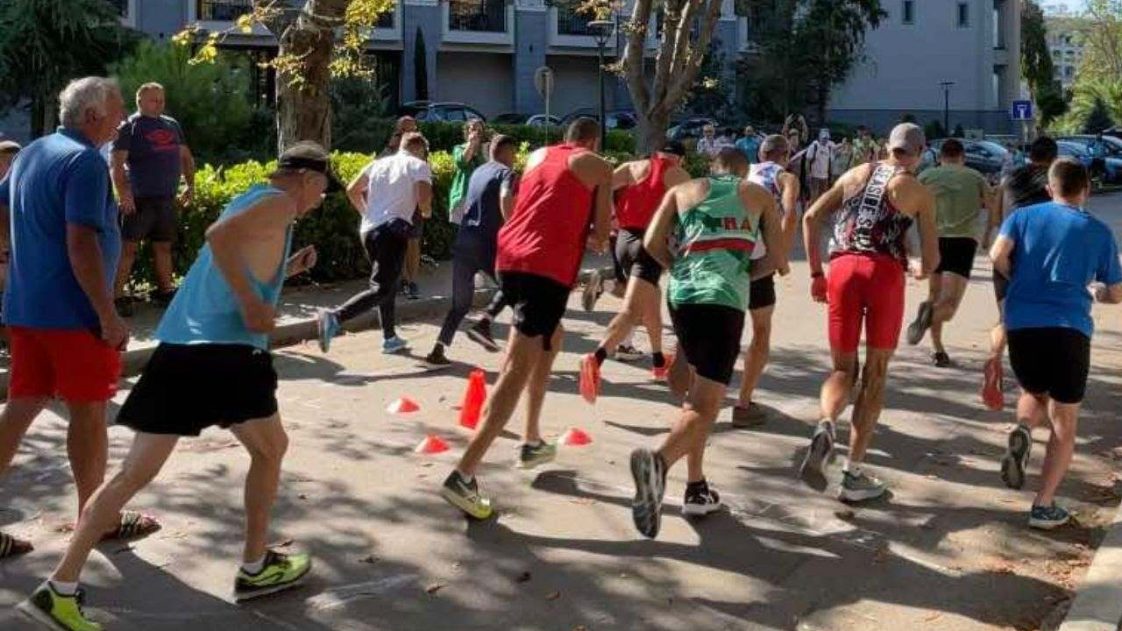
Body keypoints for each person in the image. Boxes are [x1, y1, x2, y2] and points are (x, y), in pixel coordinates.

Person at [17, 142, 339, 629]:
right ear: (307, 178)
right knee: (271, 449)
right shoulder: (279, 202)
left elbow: (231, 253)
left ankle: (58, 587)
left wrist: (285, 270)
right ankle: (255, 566)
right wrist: (253, 304)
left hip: (182, 348)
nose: (318, 201)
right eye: (322, 190)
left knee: (132, 474)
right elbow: (219, 237)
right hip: (226, 351)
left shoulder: (253, 197)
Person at [0, 78, 162, 564]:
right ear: (92, 115)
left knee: (21, 406)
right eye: (117, 110)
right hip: (74, 317)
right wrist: (107, 315)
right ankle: (98, 518)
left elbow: (1, 209)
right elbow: (82, 243)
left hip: (27, 308)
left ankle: (97, 514)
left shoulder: (32, 152)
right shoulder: (85, 161)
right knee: (89, 413)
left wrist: (16, 259)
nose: (122, 120)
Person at [440, 118, 612, 519]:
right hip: (544, 268)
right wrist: (587, 233)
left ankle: (532, 439)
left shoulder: (537, 156)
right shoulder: (598, 166)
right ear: (592, 142)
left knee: (554, 337)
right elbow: (602, 235)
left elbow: (519, 205)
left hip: (510, 257)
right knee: (515, 370)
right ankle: (463, 474)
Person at [628, 148, 785, 539]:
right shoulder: (759, 195)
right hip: (723, 299)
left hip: (682, 296)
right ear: (744, 171)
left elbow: (651, 242)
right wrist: (743, 273)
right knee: (707, 405)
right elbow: (777, 259)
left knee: (695, 393)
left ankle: (696, 486)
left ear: (711, 168)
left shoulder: (681, 191)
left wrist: (678, 266)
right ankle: (658, 463)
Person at [800, 123, 938, 502]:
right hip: (883, 274)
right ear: (920, 152)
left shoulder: (855, 173)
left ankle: (826, 423)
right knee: (875, 373)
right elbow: (931, 259)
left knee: (842, 369)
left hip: (842, 269)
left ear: (887, 147)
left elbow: (810, 217)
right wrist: (919, 266)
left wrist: (816, 274)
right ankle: (852, 473)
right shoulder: (917, 190)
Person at [990, 158, 1122, 529]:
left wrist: (1019, 279)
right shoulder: (1098, 231)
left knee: (1034, 389)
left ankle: (1023, 429)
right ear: (1087, 190)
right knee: (1065, 420)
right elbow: (1116, 292)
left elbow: (997, 255)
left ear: (1050, 188)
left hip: (1022, 324)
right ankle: (1043, 505)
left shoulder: (1022, 217)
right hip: (1069, 329)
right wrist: (1097, 294)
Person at [579, 140, 692, 396]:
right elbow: (692, 213)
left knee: (651, 301)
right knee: (632, 311)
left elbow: (600, 187)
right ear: (680, 158)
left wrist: (608, 217)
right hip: (649, 244)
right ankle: (595, 359)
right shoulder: (679, 174)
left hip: (623, 241)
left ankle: (658, 362)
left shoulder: (633, 167)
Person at [317, 132, 432, 355]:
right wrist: (426, 211)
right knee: (382, 287)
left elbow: (352, 189)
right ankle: (335, 317)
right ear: (419, 148)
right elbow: (424, 200)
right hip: (393, 231)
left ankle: (389, 337)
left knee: (387, 283)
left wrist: (366, 213)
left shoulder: (378, 164)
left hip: (369, 231)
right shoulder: (419, 165)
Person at [425, 135, 519, 366]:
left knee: (460, 305)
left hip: (464, 241)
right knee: (514, 288)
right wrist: (513, 227)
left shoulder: (478, 171)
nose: (515, 159)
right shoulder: (506, 173)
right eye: (514, 154)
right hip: (488, 242)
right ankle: (506, 343)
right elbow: (505, 196)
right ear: (507, 152)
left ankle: (437, 351)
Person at [979, 136, 1058, 410]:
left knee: (1005, 316)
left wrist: (987, 238)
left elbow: (995, 217)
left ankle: (994, 357)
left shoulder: (1009, 179)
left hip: (1005, 250)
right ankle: (1034, 385)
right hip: (1039, 256)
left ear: (1030, 154)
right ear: (1053, 157)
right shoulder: (1054, 182)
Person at [111, 83, 196, 316]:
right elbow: (116, 164)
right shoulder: (129, 127)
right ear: (139, 101)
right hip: (139, 199)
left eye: (161, 100)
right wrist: (124, 194)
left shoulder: (172, 125)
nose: (158, 104)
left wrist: (190, 185)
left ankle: (165, 290)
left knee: (163, 246)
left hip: (166, 198)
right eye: (153, 100)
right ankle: (116, 296)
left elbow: (186, 157)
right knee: (128, 249)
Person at [734, 135, 802, 426]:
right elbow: (790, 214)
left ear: (761, 154)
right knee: (761, 330)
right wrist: (781, 255)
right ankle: (743, 403)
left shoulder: (743, 171)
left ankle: (697, 397)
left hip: (727, 255)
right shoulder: (785, 177)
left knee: (721, 327)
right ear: (785, 156)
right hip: (759, 261)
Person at [906, 138, 993, 366]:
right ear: (962, 157)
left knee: (934, 296)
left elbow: (910, 207)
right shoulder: (975, 177)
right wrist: (986, 235)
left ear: (940, 157)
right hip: (962, 241)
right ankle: (927, 319)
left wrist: (911, 241)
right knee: (949, 305)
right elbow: (992, 207)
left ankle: (938, 350)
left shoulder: (926, 176)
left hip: (933, 239)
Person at [387, 116, 425, 300]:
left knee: (413, 242)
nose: (408, 133)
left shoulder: (420, 146)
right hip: (395, 201)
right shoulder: (391, 148)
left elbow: (424, 170)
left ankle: (412, 281)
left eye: (412, 129)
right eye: (403, 130)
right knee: (398, 241)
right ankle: (402, 279)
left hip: (413, 201)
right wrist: (391, 146)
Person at [448, 118, 487, 226]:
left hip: (482, 196)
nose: (476, 133)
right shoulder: (459, 148)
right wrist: (471, 144)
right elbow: (462, 162)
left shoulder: (486, 149)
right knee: (462, 229)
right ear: (467, 131)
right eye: (473, 129)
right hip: (463, 194)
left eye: (479, 130)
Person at [805, 129, 837, 203]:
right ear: (820, 137)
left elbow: (830, 162)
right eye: (824, 138)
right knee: (814, 196)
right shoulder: (814, 146)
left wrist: (830, 175)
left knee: (823, 197)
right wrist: (808, 174)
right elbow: (808, 161)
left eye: (827, 138)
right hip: (814, 176)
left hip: (825, 177)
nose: (825, 140)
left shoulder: (829, 147)